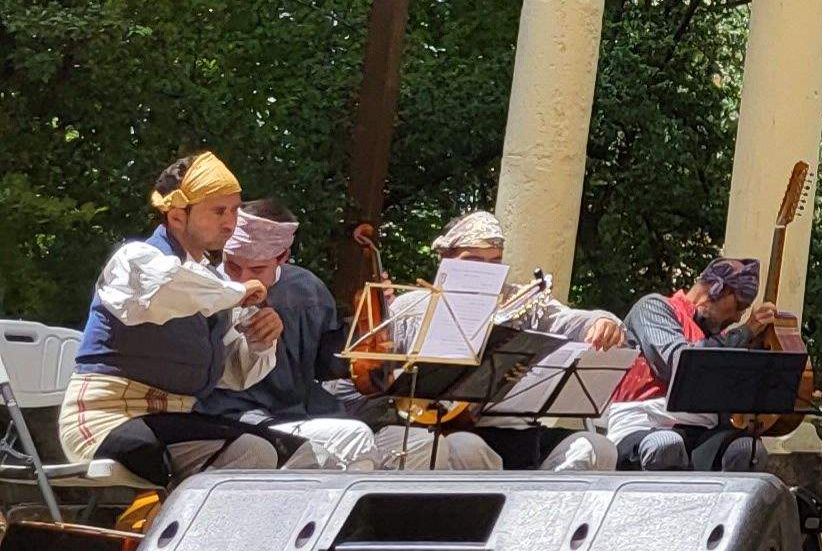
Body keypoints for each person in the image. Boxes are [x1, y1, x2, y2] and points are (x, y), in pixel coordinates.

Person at [65, 152, 299, 486]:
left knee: (298, 455)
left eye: (234, 210)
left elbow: (231, 374)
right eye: (218, 211)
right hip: (106, 418)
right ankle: (187, 535)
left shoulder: (208, 284)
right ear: (177, 217)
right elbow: (171, 288)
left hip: (168, 421)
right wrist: (236, 291)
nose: (230, 223)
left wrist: (259, 341)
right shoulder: (136, 260)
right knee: (253, 450)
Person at [373, 211, 633, 471]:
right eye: (473, 261)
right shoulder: (410, 308)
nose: (485, 271)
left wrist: (600, 321)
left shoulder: (519, 301)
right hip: (449, 432)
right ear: (445, 260)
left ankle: (550, 511)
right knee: (467, 449)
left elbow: (569, 320)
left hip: (521, 435)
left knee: (597, 449)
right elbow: (376, 379)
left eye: (494, 263)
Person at [194, 204, 380, 469]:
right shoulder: (206, 289)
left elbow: (327, 364)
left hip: (294, 414)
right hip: (231, 417)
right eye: (232, 266)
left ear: (282, 257)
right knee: (356, 438)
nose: (243, 281)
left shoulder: (307, 288)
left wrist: (368, 326)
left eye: (256, 270)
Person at [601, 256, 802, 473]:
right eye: (739, 306)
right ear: (717, 288)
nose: (737, 317)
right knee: (666, 445)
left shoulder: (722, 337)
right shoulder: (653, 307)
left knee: (746, 451)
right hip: (645, 423)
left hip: (704, 432)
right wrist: (745, 332)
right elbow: (678, 363)